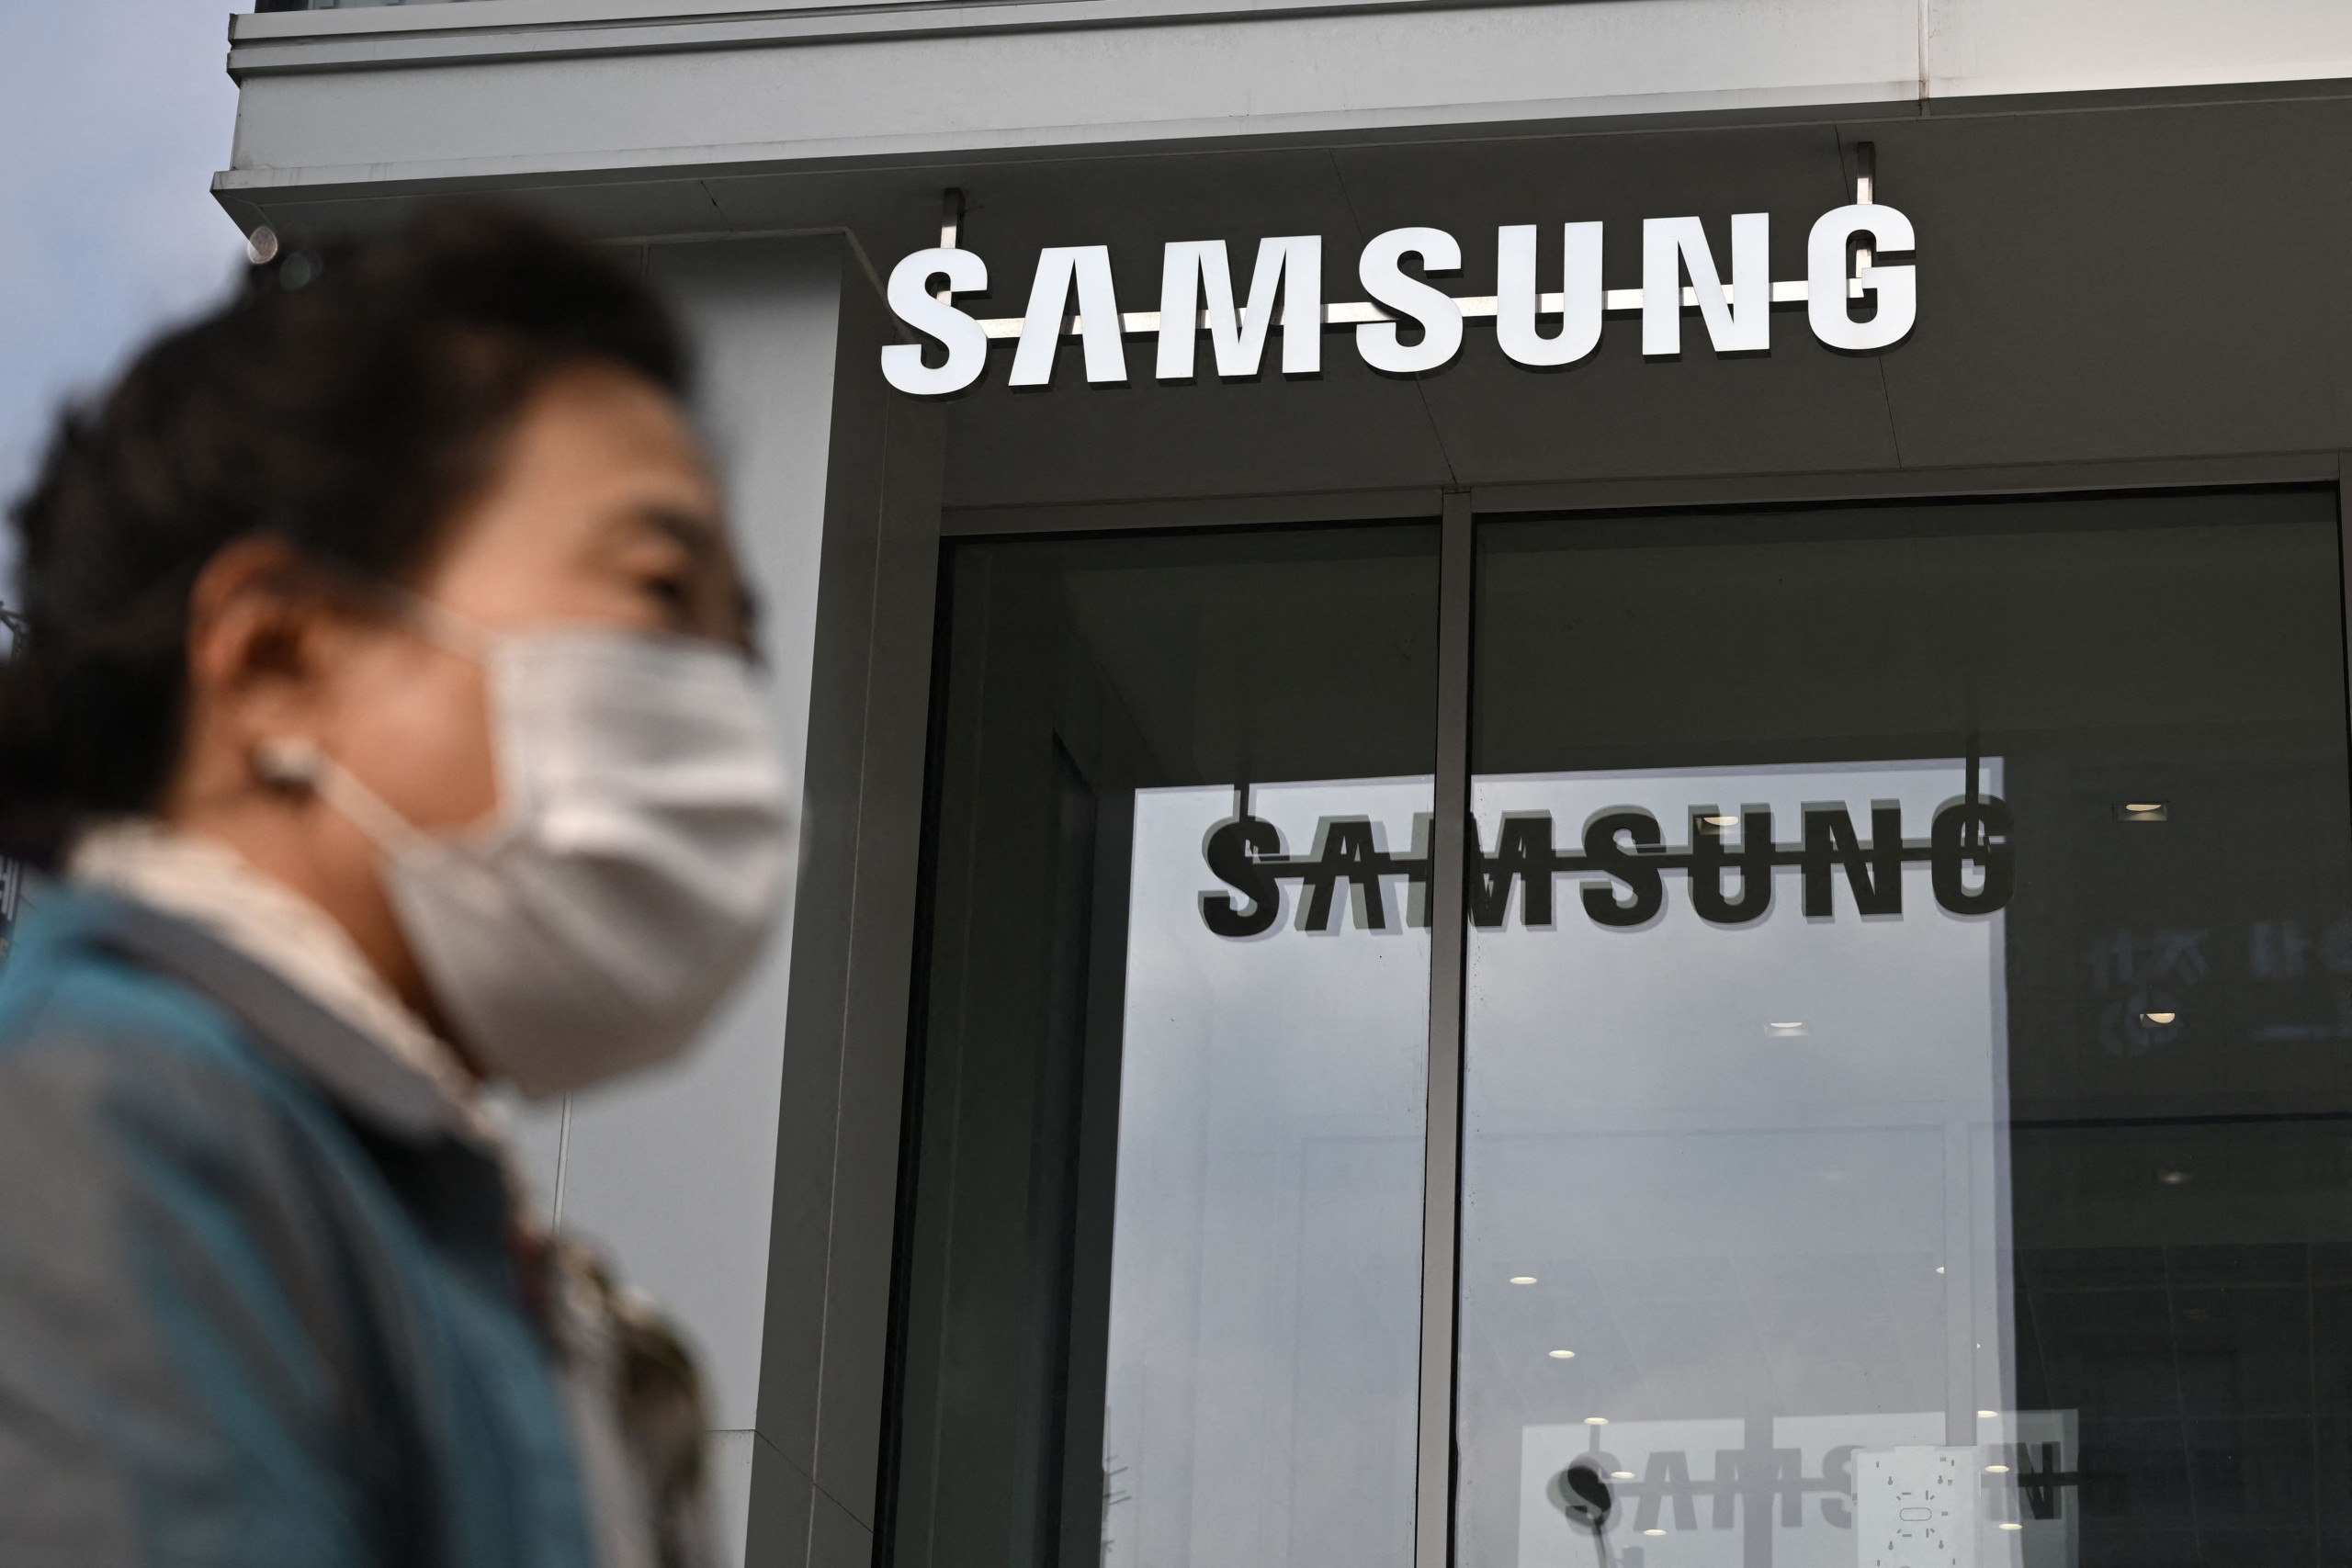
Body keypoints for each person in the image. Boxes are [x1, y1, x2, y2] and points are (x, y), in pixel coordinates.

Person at [0, 204, 793, 1567]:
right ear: (278, 662)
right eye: (661, 594)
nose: (724, 709)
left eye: (742, 648)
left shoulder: (427, 1222)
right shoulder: (113, 1129)